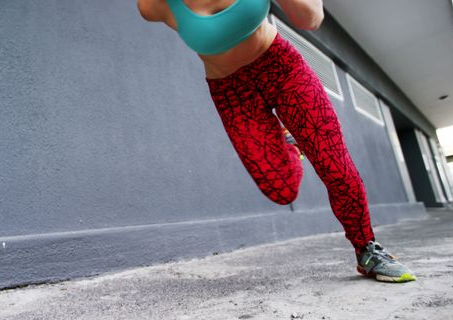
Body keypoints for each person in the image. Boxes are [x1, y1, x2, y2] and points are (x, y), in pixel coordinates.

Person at [136, 0, 416, 282]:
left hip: (282, 69)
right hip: (233, 94)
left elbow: (311, 18)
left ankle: (367, 250)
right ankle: (290, 141)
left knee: (335, 166)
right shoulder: (154, 5)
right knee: (282, 190)